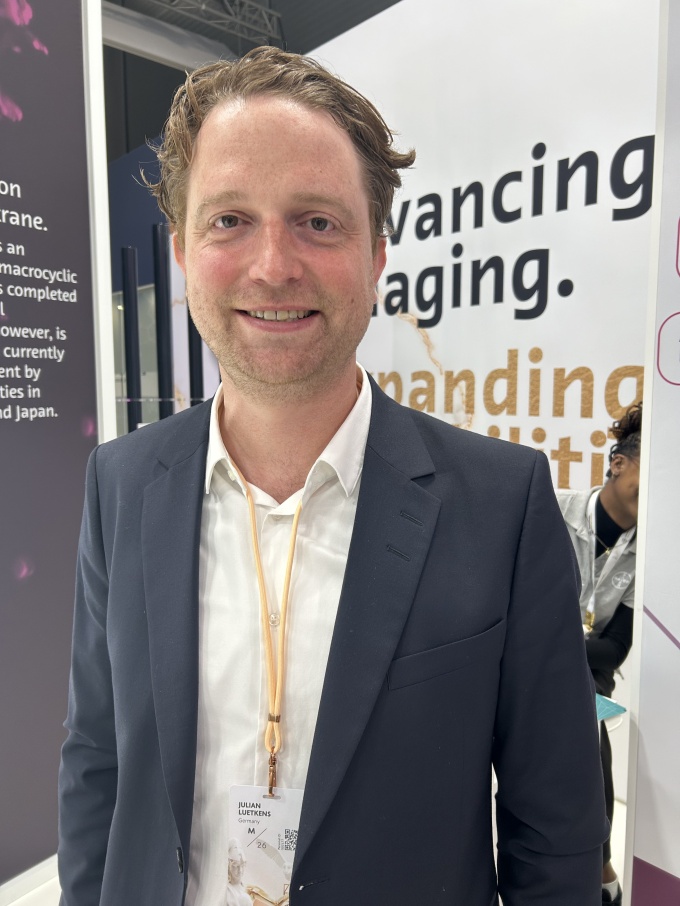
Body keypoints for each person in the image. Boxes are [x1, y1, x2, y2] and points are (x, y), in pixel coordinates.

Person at [58, 47, 608, 905]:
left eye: (317, 222)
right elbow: (97, 761)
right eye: (229, 220)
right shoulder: (120, 483)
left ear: (378, 254)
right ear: (182, 250)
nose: (273, 266)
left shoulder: (501, 506)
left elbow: (558, 834)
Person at [557, 402, 642, 906]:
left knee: (588, 728)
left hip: (587, 675)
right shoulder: (553, 511)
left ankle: (599, 861)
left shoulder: (648, 551)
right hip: (526, 661)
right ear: (618, 464)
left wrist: (555, 639)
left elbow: (615, 649)